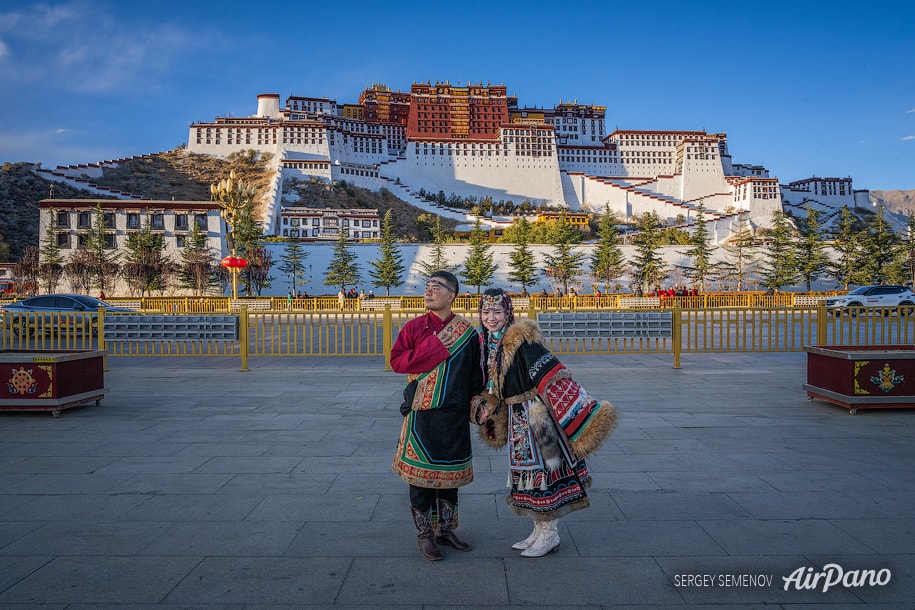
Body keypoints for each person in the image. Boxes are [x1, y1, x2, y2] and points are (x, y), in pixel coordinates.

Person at [474, 288, 618, 558]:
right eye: (485, 312)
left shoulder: (522, 340)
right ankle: (538, 530)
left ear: (508, 313)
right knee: (527, 475)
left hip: (538, 417)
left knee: (544, 475)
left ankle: (550, 533)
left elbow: (550, 372)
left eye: (497, 312)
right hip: (517, 418)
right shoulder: (490, 343)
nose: (491, 317)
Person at [390, 271, 485, 561]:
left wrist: (479, 404)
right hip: (422, 415)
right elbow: (397, 362)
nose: (428, 291)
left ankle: (445, 529)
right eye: (427, 286)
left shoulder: (468, 334)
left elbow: (475, 375)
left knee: (450, 477)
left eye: (437, 287)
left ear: (452, 294)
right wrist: (435, 347)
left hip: (454, 416)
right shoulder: (415, 327)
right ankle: (424, 535)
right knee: (420, 479)